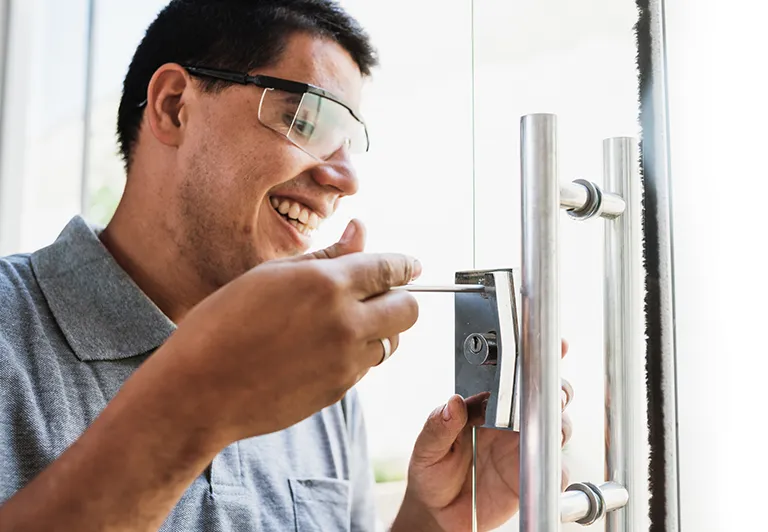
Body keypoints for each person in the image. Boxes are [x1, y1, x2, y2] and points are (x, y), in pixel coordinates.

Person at [0, 1, 573, 530]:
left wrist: (432, 520)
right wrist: (205, 401)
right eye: (306, 120)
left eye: (349, 142)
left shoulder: (318, 378)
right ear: (174, 107)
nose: (345, 179)